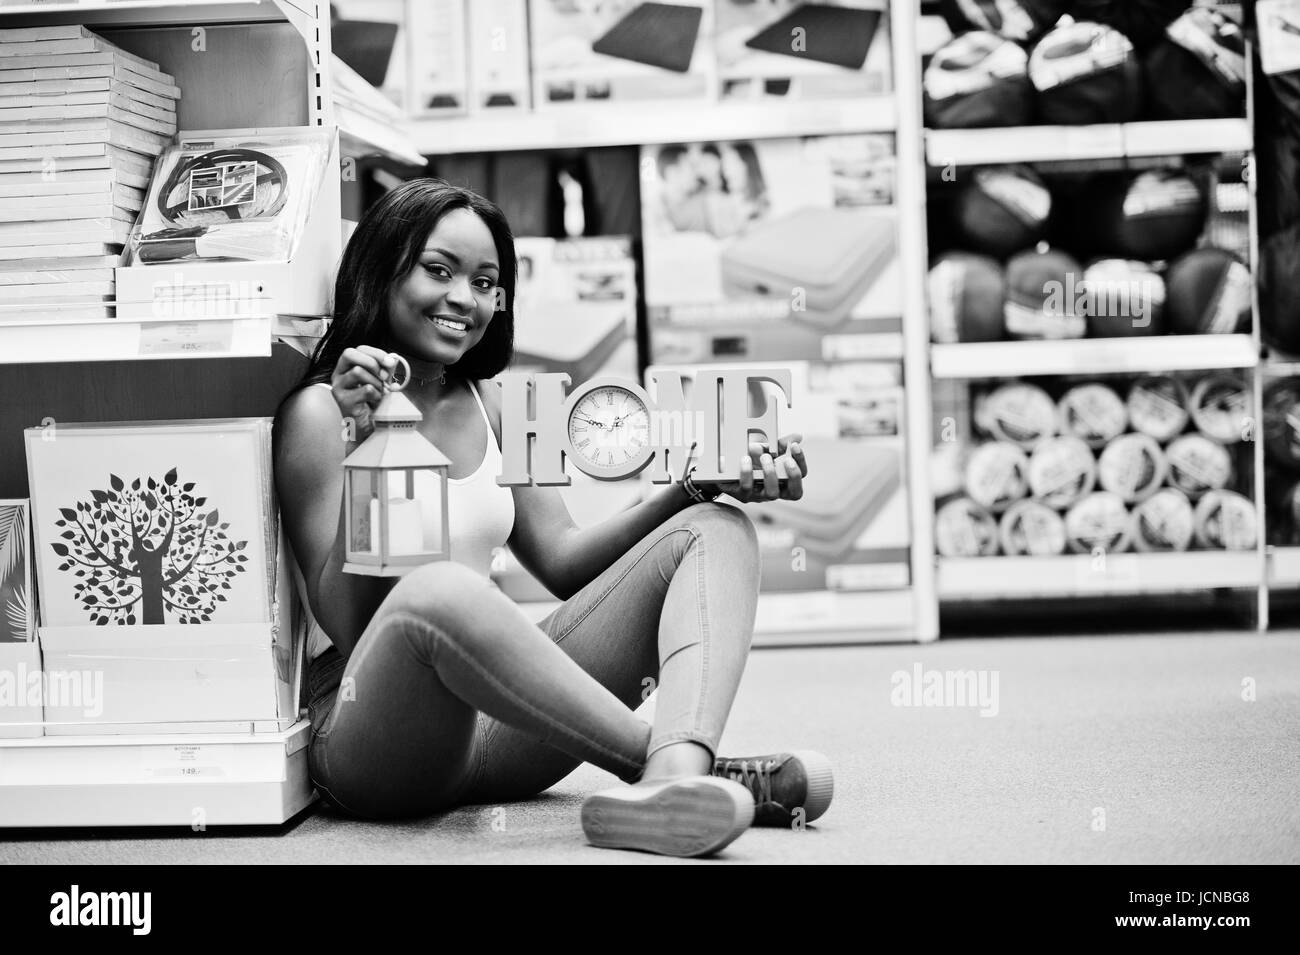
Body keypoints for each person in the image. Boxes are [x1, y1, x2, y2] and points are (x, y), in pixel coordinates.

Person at [273, 178, 832, 858]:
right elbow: (347, 624)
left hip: (500, 729)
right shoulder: (318, 414)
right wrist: (367, 445)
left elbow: (564, 560)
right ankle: (675, 768)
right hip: (376, 734)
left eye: (485, 282)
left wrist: (690, 485)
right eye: (439, 270)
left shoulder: (499, 404)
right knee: (441, 588)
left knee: (715, 526)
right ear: (380, 267)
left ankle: (677, 776)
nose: (463, 299)